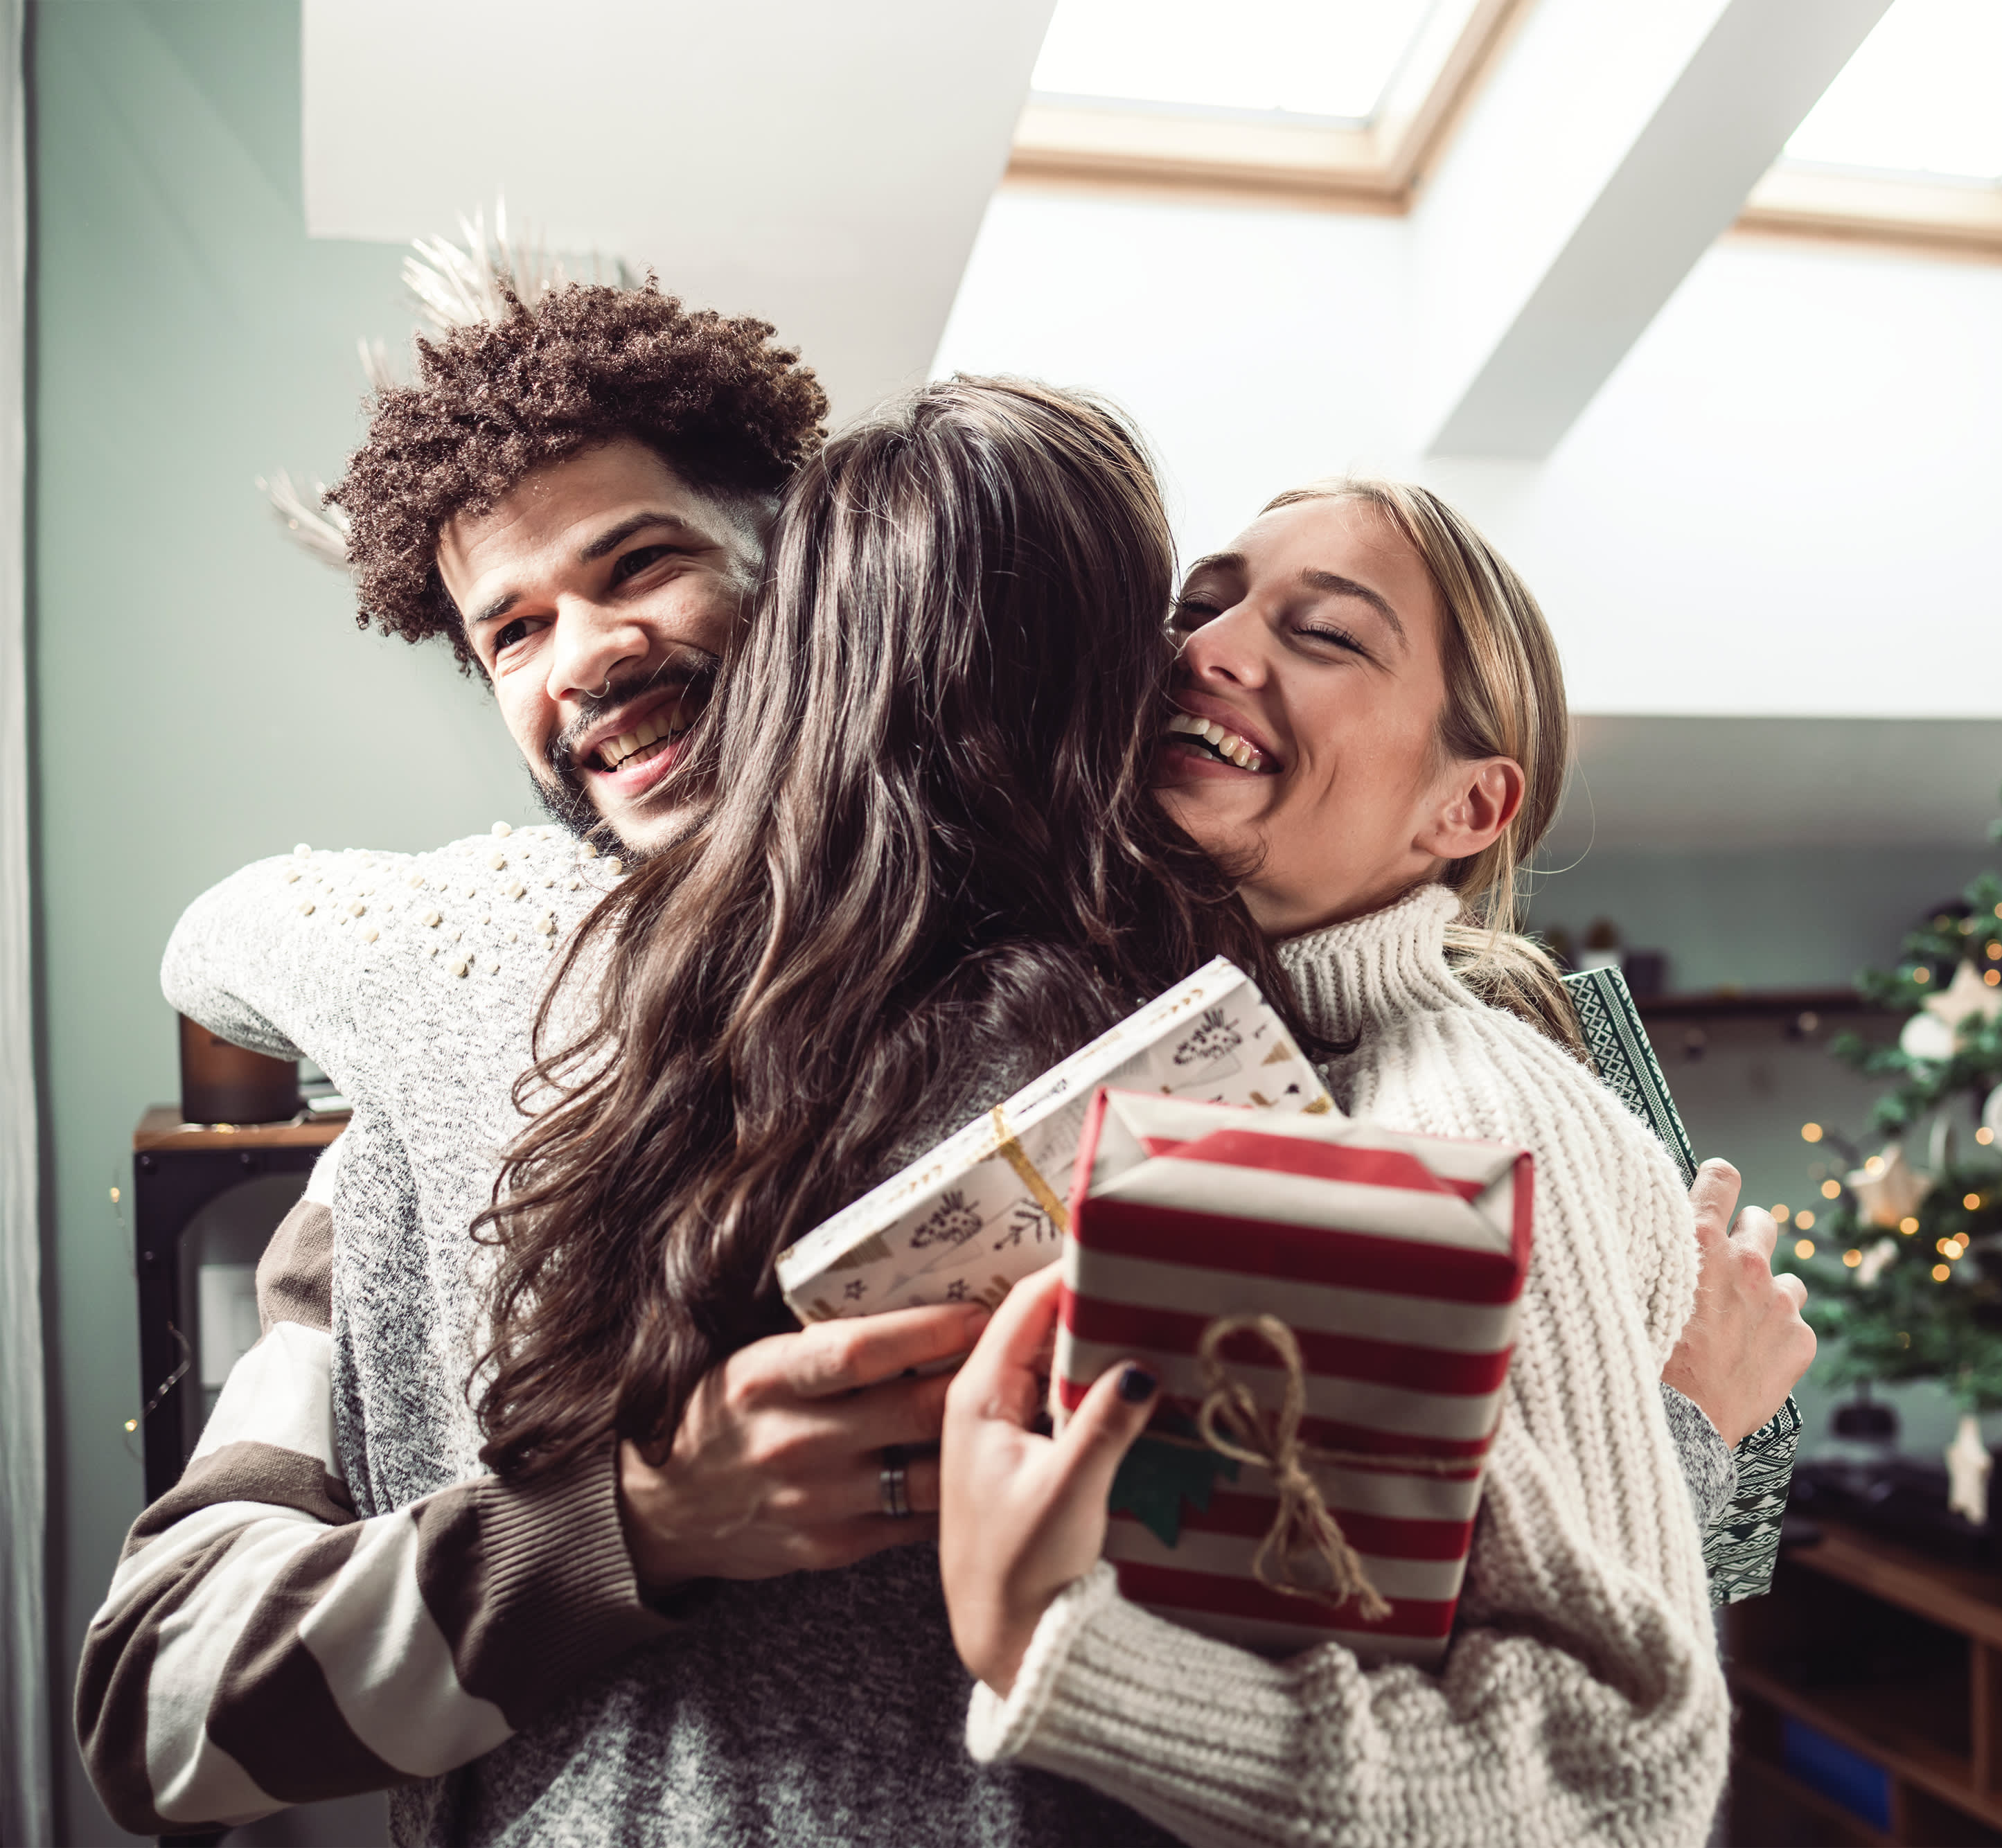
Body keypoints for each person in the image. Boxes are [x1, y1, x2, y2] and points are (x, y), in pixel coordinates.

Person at [80, 284, 1804, 1838]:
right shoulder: (410, 1103)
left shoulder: (1207, 1036)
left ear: (813, 566)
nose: (583, 657)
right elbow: (156, 1719)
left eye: (636, 564)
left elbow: (1484, 1670)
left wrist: (1668, 1446)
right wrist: (633, 1524)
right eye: (510, 633)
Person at [934, 480, 1735, 1845]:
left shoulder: (1457, 1109)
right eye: (1202, 604)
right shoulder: (1217, 1060)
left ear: (1465, 807)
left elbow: (1614, 1783)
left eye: (1324, 634)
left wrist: (1050, 1651)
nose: (1213, 646)